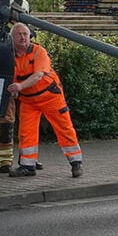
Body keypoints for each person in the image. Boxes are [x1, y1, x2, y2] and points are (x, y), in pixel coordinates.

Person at [6, 22, 84, 178]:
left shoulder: (38, 52)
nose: (23, 37)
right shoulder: (8, 56)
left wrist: (20, 87)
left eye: (25, 34)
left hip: (50, 97)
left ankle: (76, 163)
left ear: (30, 36)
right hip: (29, 100)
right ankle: (28, 166)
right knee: (26, 132)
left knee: (64, 128)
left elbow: (38, 75)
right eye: (19, 34)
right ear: (12, 38)